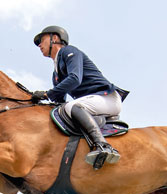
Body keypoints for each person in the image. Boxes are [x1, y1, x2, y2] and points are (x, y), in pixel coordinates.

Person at [32, 25, 126, 170]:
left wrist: (46, 94)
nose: (39, 45)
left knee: (73, 107)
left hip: (107, 98)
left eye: (42, 40)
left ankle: (103, 145)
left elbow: (75, 78)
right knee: (63, 110)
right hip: (93, 104)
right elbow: (59, 101)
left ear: (55, 38)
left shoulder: (68, 51)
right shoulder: (56, 74)